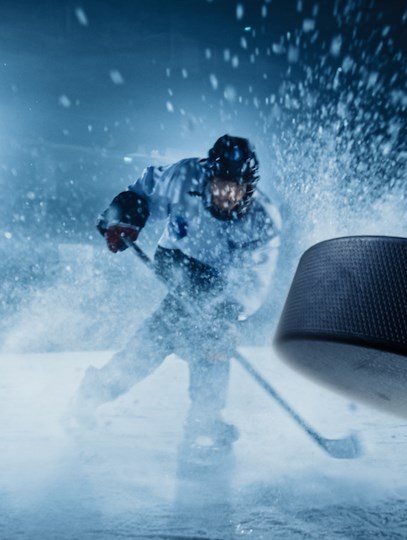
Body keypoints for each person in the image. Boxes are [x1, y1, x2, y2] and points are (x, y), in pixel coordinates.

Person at [65, 134, 281, 449]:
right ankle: (205, 422)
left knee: (208, 339)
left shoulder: (263, 219)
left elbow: (253, 278)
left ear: (249, 187)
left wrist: (227, 315)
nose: (226, 195)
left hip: (220, 280)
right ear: (209, 176)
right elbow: (145, 190)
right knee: (180, 334)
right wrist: (124, 215)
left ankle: (95, 392)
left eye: (235, 189)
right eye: (220, 184)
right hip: (175, 259)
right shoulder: (185, 176)